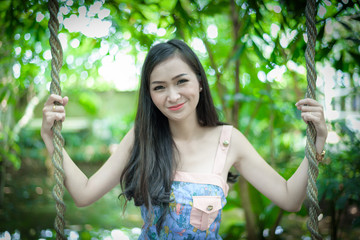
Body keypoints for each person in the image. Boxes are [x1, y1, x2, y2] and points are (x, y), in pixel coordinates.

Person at [41, 39, 328, 239]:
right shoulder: (141, 137)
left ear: (200, 82)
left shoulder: (229, 141)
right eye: (159, 87)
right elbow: (84, 193)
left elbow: (290, 198)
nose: (173, 96)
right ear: (150, 95)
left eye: (181, 81)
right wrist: (51, 138)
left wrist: (318, 143)